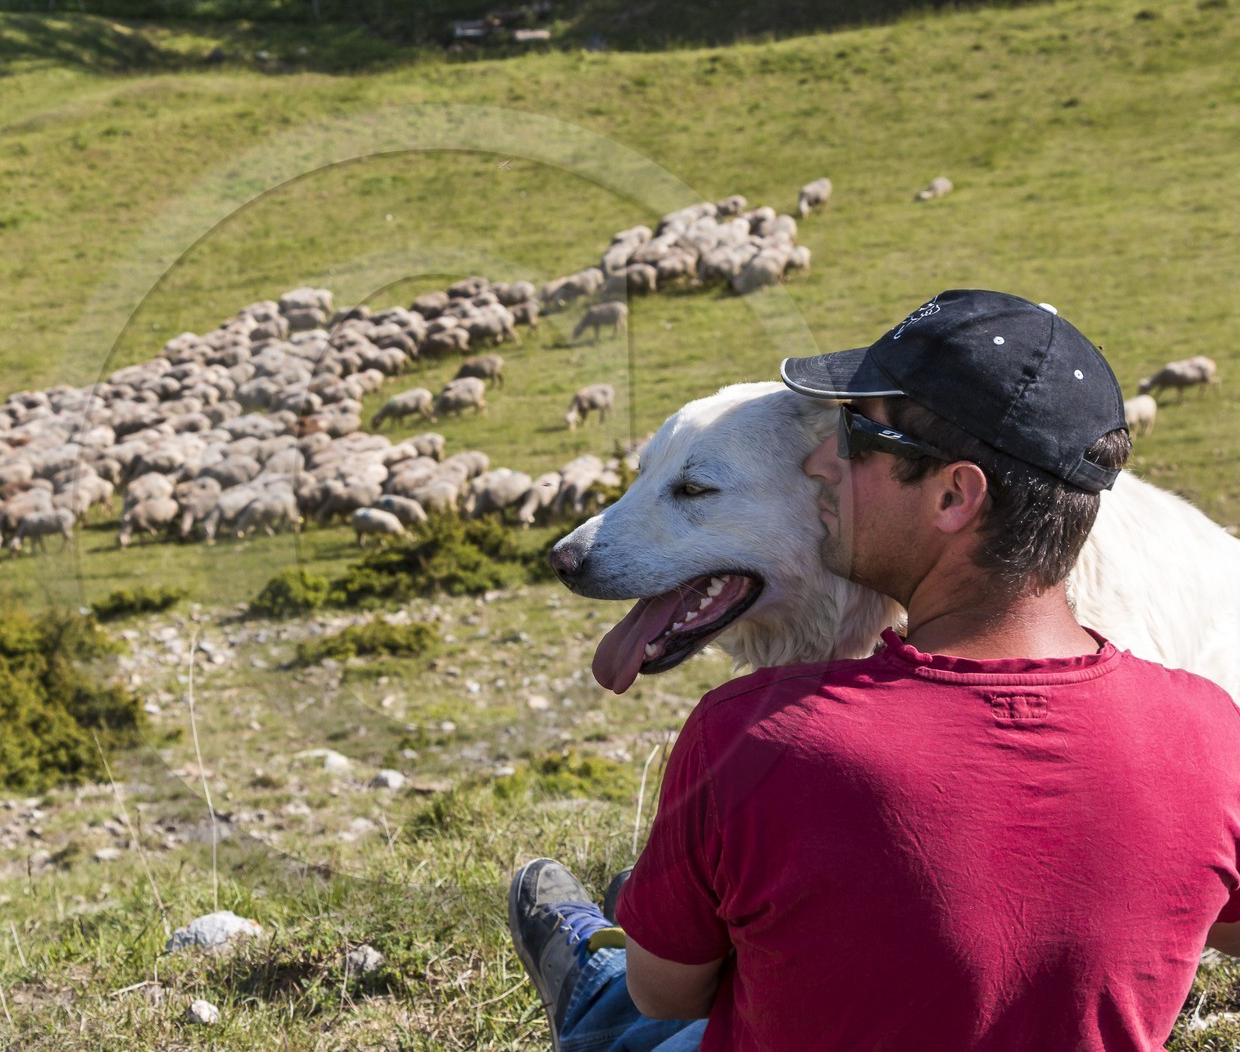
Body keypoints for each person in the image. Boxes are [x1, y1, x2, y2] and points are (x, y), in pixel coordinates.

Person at [508, 290, 1240, 1052]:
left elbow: (667, 992)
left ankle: (598, 989)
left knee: (650, 1021)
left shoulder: (752, 739)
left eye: (858, 439)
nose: (824, 464)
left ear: (955, 495)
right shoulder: (1209, 731)